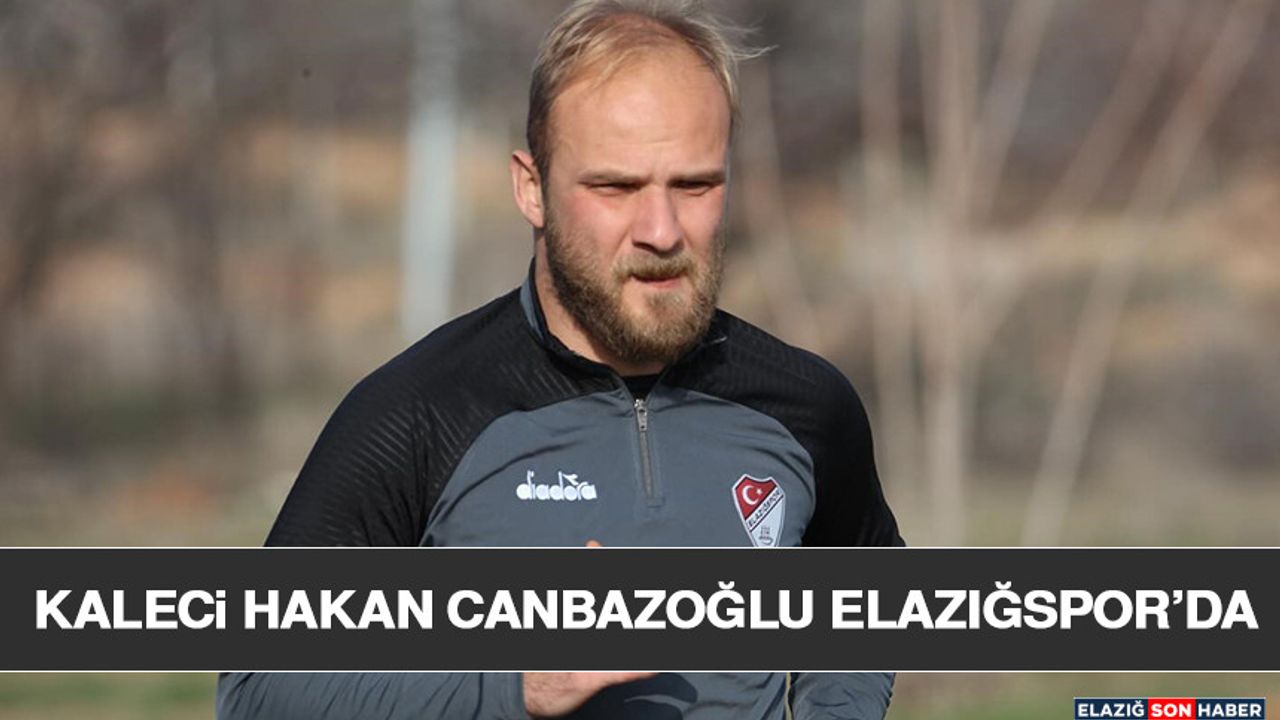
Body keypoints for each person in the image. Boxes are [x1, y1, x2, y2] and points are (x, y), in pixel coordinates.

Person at [216, 0, 903, 718]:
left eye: (695, 185)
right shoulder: (420, 413)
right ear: (532, 188)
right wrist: (516, 685)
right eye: (615, 187)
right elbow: (260, 689)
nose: (662, 231)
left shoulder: (806, 406)